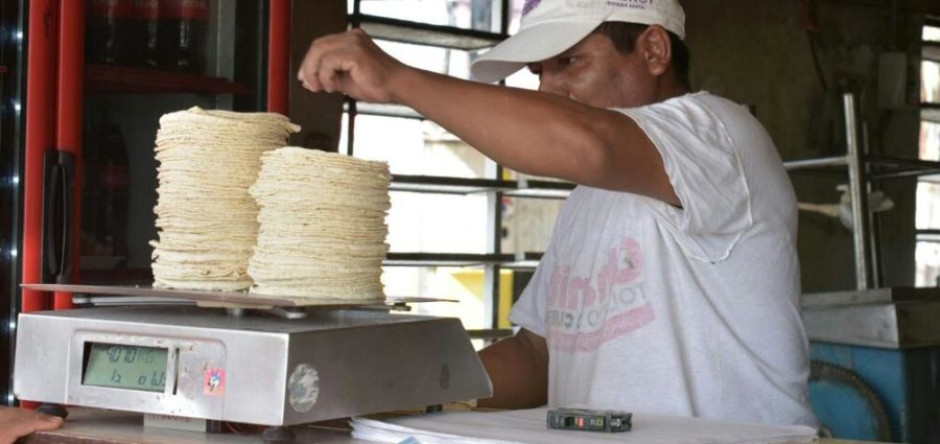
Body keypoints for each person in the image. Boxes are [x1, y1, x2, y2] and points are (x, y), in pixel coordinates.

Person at [298, 0, 818, 428]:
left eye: (569, 62)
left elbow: (586, 143)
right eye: (539, 72)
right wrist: (399, 389)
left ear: (654, 50)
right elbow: (541, 356)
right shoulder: (592, 196)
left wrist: (398, 79)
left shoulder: (718, 135)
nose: (548, 89)